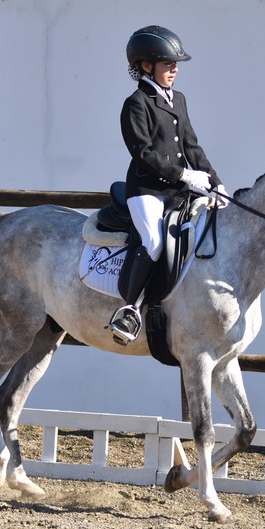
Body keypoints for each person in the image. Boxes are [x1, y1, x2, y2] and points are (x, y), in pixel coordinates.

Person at [107, 25, 227, 345]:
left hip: (177, 191)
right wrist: (184, 175)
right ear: (147, 66)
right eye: (168, 64)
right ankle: (129, 309)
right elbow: (142, 153)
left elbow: (192, 146)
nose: (174, 69)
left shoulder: (179, 100)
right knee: (154, 240)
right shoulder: (136, 103)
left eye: (176, 64)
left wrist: (216, 183)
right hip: (146, 189)